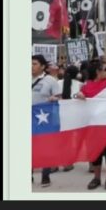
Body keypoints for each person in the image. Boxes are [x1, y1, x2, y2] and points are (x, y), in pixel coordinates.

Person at [75, 59, 106, 190]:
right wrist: (78, 95)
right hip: (92, 124)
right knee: (95, 152)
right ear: (98, 71)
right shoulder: (87, 85)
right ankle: (96, 178)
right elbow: (78, 101)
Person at [32, 55, 60, 187]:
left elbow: (59, 97)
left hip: (44, 119)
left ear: (43, 66)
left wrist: (54, 98)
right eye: (30, 64)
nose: (31, 66)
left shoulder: (50, 80)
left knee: (45, 146)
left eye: (34, 64)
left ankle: (45, 175)